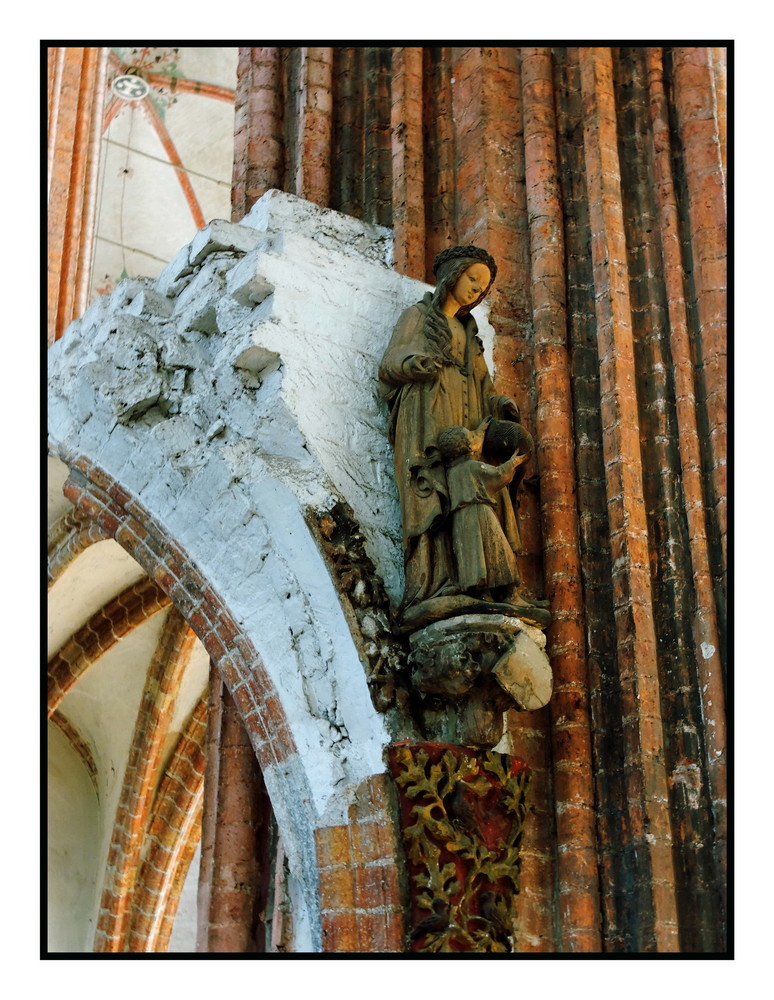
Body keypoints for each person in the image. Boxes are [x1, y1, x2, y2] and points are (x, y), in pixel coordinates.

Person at [379, 245, 534, 627]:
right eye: (473, 280)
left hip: (469, 425)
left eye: (483, 288)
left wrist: (498, 403)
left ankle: (485, 582)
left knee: (483, 496)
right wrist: (413, 362)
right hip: (428, 418)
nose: (476, 291)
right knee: (434, 494)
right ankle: (435, 586)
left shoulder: (469, 331)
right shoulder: (417, 316)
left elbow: (482, 382)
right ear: (453, 275)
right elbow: (389, 364)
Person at [437, 422, 528, 600]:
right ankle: (509, 594)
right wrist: (514, 462)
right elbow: (498, 475)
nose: (475, 436)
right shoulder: (472, 466)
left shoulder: (452, 473)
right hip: (480, 512)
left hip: (461, 519)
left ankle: (482, 592)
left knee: (473, 555)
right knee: (499, 550)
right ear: (468, 446)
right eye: (471, 436)